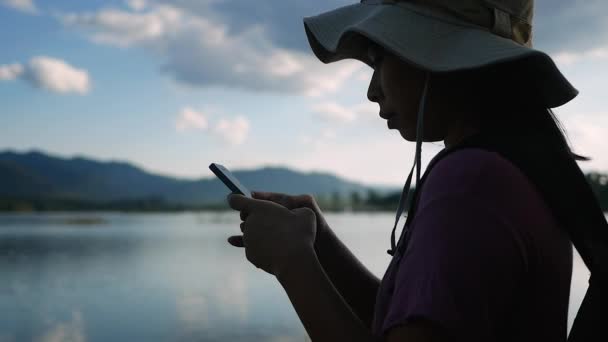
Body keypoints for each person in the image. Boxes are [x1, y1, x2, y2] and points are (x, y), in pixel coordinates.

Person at [227, 0, 607, 341]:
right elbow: (409, 324)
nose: (372, 91)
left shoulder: (470, 184)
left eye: (378, 60)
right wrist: (321, 245)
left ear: (438, 56)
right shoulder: (511, 164)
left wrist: (293, 262)